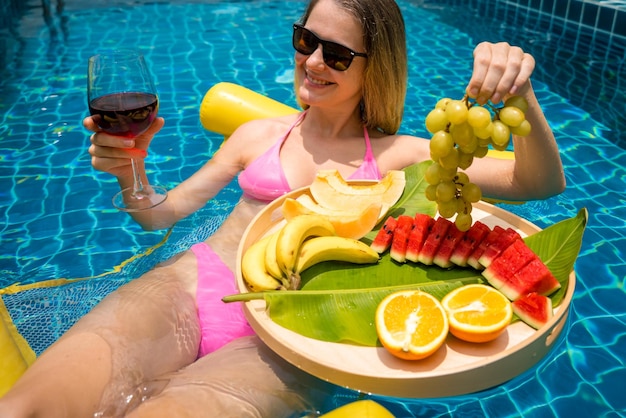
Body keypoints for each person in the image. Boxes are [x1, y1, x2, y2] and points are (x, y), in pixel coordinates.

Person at [0, 0, 565, 416]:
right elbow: (159, 215)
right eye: (305, 40)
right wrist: (132, 173)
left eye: (337, 54)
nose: (313, 61)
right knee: (29, 406)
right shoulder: (257, 133)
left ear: (375, 68)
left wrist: (523, 98)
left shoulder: (402, 156)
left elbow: (536, 181)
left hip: (295, 334)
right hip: (193, 284)